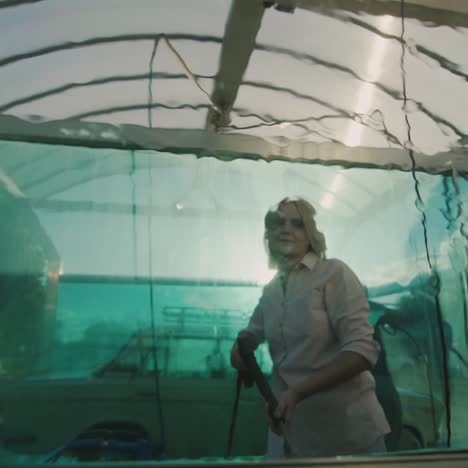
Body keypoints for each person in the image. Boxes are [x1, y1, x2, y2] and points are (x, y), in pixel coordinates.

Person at [230, 197, 390, 458]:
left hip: (346, 435)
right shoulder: (270, 290)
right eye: (278, 223)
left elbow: (362, 352)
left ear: (311, 235)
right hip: (289, 434)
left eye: (298, 224)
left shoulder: (334, 273)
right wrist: (239, 350)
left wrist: (298, 392)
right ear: (268, 234)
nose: (286, 229)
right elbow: (251, 333)